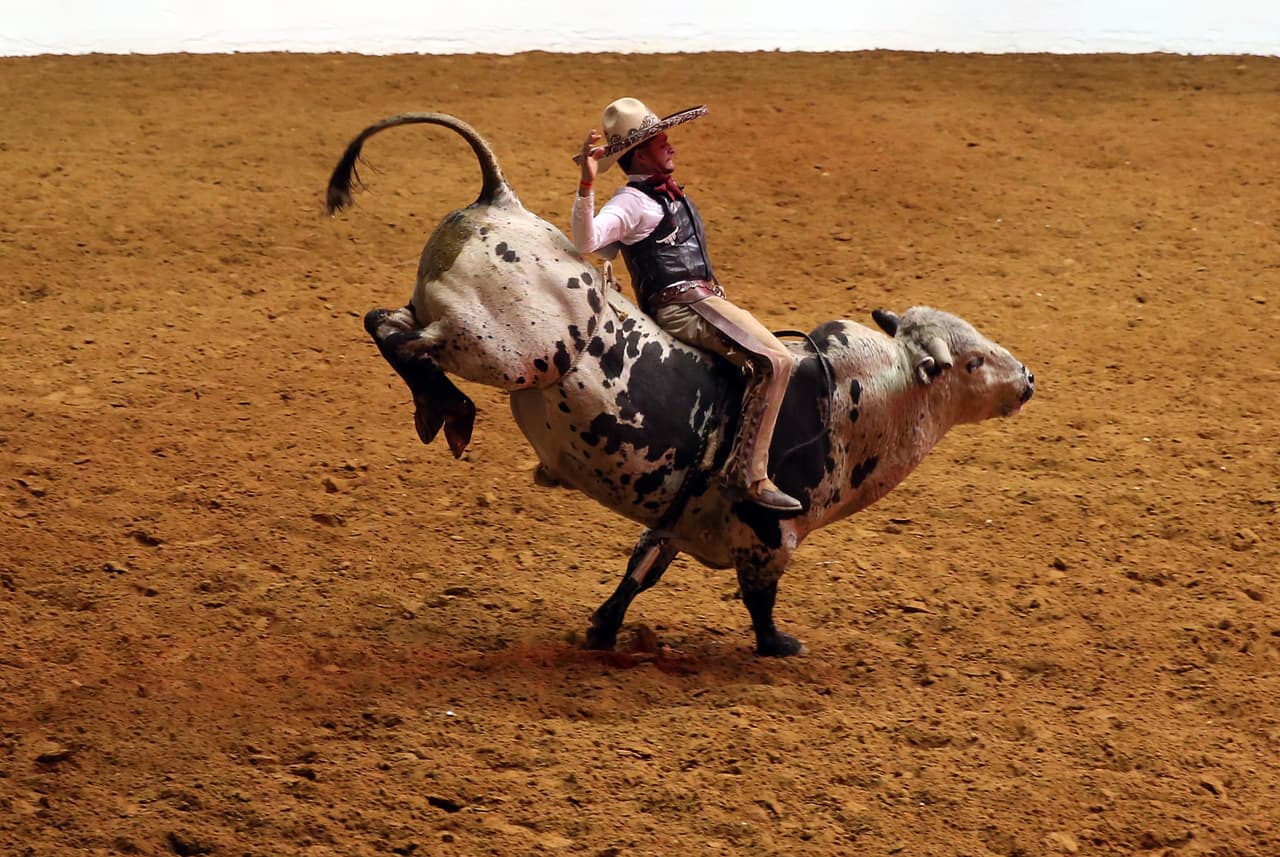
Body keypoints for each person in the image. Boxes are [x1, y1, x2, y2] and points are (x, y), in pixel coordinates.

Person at [571, 97, 801, 513]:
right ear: (641, 154)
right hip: (682, 305)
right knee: (777, 361)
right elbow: (587, 242)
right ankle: (750, 476)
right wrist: (587, 186)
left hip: (702, 300)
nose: (671, 146)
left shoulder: (661, 195)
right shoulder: (631, 203)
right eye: (662, 142)